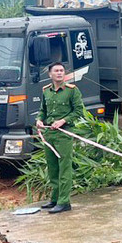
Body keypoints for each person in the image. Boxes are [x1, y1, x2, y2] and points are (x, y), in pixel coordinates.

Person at [35, 61, 85, 214]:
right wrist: (39, 120)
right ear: (50, 74)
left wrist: (63, 120)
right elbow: (43, 110)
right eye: (56, 71)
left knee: (64, 167)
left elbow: (78, 111)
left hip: (64, 134)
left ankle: (64, 202)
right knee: (52, 167)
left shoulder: (72, 90)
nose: (59, 73)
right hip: (49, 133)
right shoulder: (46, 91)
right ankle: (55, 198)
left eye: (61, 71)